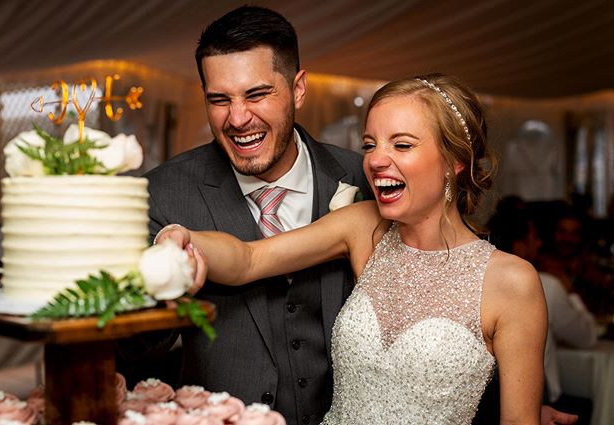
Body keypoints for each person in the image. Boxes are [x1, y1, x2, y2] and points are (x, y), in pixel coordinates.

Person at [169, 74, 549, 423]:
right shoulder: (364, 227)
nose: (376, 160)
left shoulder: (512, 282)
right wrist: (180, 239)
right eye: (370, 144)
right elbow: (248, 259)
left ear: (455, 162)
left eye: (402, 144)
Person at [116, 6, 371, 425]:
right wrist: (163, 299)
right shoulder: (163, 193)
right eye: (219, 100)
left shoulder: (363, 179)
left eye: (256, 95)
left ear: (298, 88)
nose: (238, 119)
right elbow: (131, 352)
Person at [488, 199, 598, 424]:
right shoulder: (544, 283)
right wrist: (571, 293)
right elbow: (587, 337)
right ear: (519, 244)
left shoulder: (480, 282)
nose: (538, 244)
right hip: (542, 400)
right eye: (534, 238)